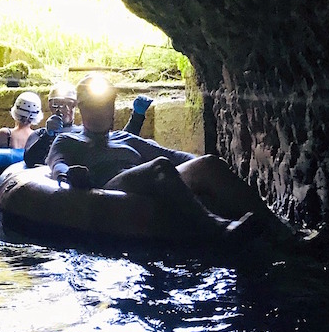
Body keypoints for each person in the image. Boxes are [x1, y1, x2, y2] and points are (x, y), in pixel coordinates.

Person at [47, 74, 307, 246]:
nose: (103, 109)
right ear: (82, 107)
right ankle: (217, 228)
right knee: (159, 168)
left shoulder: (125, 139)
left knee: (206, 163)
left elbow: (177, 157)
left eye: (106, 103)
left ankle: (281, 230)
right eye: (95, 104)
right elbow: (56, 163)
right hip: (110, 187)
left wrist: (204, 169)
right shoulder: (69, 141)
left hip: (148, 180)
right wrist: (68, 174)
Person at [24, 82, 154, 167]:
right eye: (58, 103)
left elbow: (121, 141)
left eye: (69, 104)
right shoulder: (40, 135)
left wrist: (137, 117)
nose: (64, 108)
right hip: (55, 179)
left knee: (151, 144)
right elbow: (30, 159)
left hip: (92, 176)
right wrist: (47, 135)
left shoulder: (87, 133)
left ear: (77, 106)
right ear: (51, 106)